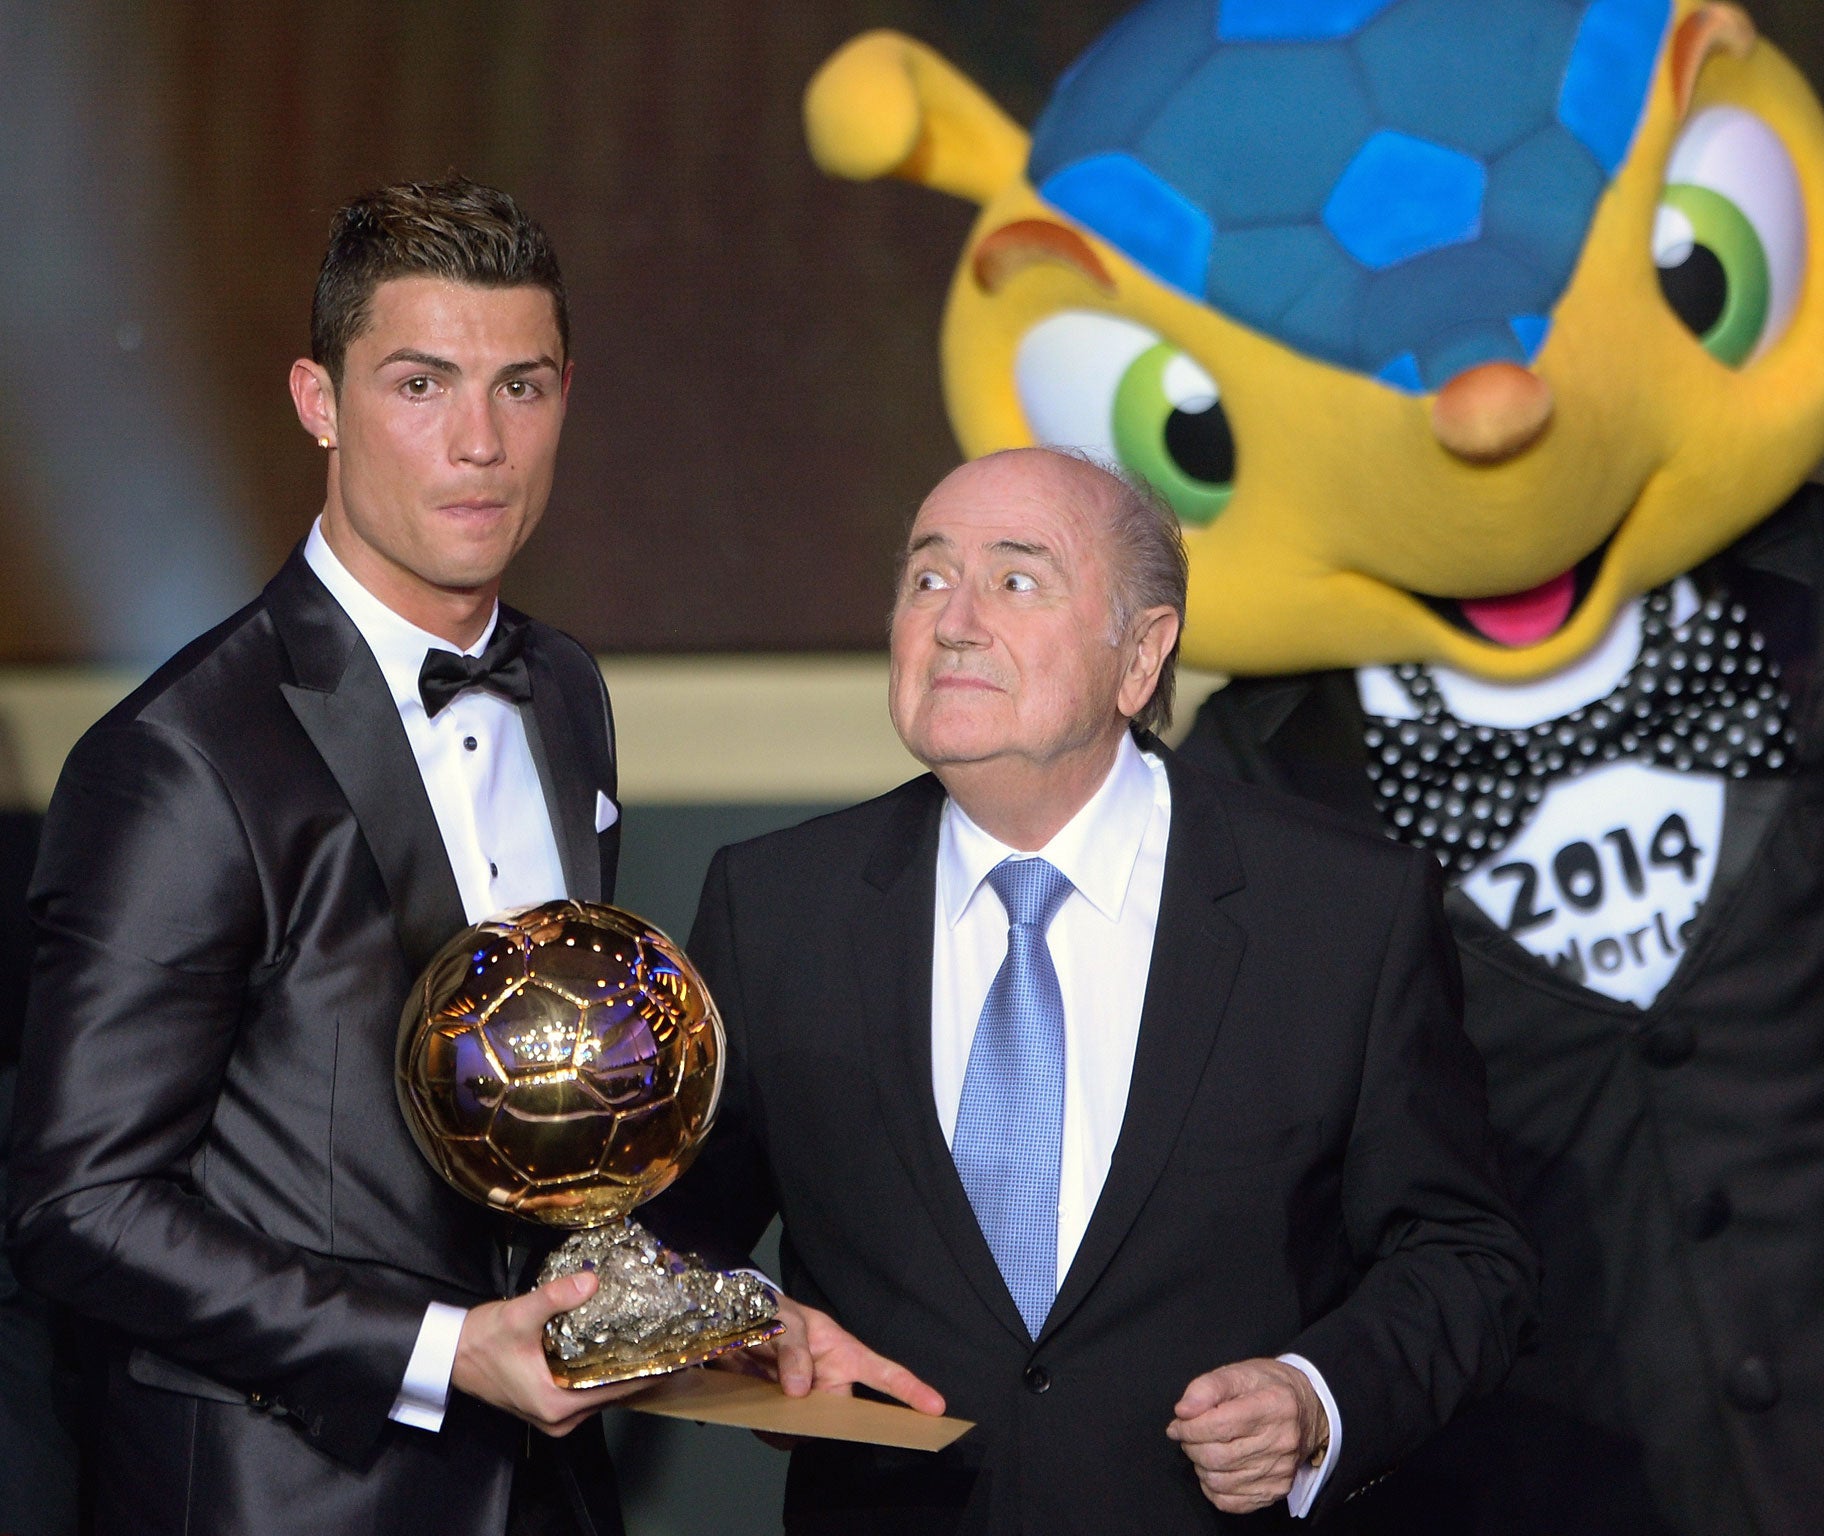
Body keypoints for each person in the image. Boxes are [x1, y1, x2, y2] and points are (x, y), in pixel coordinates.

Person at [654, 446, 1539, 1531]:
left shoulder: (1341, 911)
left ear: (1140, 655)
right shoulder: (777, 906)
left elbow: (1461, 1256)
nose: (954, 620)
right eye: (926, 578)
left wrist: (1315, 1399)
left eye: (1016, 580)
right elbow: (672, 1227)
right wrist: (748, 1336)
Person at [6, 177, 638, 1535]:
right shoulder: (182, 755)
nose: (480, 442)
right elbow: (84, 1203)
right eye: (423, 384)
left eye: (521, 388)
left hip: (548, 1491)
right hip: (280, 1495)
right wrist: (444, 1347)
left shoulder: (568, 693)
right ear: (318, 401)